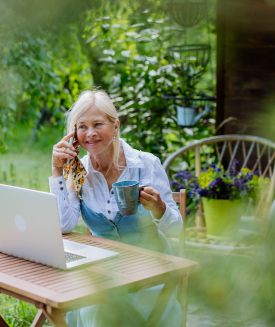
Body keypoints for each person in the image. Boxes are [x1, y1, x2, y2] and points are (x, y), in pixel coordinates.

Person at [50, 89, 183, 327]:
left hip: (149, 271)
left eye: (98, 124)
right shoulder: (79, 172)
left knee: (101, 304)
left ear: (115, 126)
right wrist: (57, 170)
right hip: (101, 269)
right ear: (74, 135)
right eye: (82, 127)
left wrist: (160, 208)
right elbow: (63, 225)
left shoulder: (145, 164)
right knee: (96, 301)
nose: (90, 133)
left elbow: (176, 228)